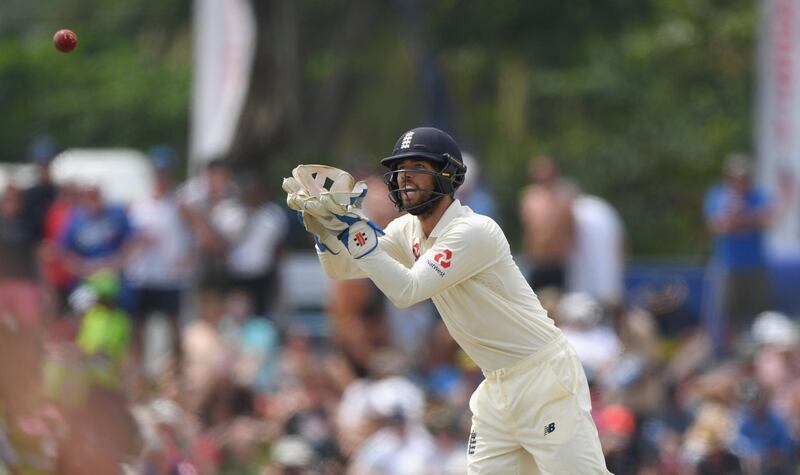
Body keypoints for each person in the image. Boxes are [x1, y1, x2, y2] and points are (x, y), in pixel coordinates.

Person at [291, 127, 610, 473]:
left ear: (447, 175)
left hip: (542, 375)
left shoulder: (474, 231)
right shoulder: (407, 231)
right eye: (400, 169)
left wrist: (354, 229)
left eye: (417, 167)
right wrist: (326, 232)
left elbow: (406, 290)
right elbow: (346, 268)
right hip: (495, 386)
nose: (405, 178)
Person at [703, 153, 774, 355]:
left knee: (760, 317)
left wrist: (740, 221)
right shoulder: (718, 195)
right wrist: (746, 220)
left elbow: (767, 217)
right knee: (727, 316)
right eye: (736, 177)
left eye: (744, 176)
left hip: (756, 266)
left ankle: (761, 358)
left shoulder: (759, 195)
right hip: (728, 265)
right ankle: (728, 357)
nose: (741, 181)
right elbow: (717, 225)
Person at [518, 155, 576, 293]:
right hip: (536, 261)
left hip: (557, 261)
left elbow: (570, 229)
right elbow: (528, 229)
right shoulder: (529, 197)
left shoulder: (564, 198)